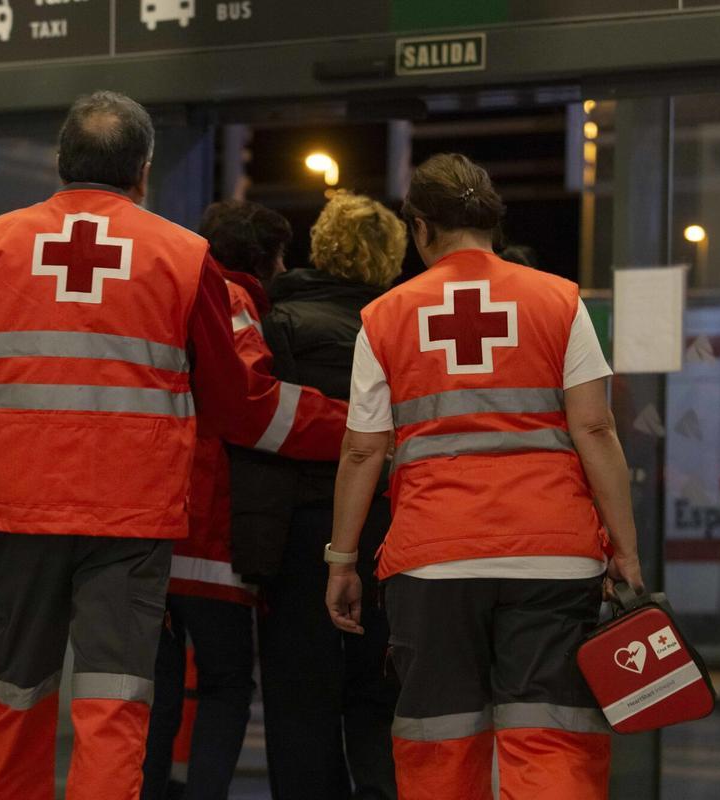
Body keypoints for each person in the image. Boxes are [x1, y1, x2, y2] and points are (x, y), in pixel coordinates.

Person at [0, 90, 347, 800]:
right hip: (130, 516)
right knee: (113, 705)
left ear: (61, 161)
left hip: (19, 508)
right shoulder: (183, 256)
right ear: (143, 170)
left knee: (16, 696)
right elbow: (238, 405)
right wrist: (350, 425)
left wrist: (18, 418)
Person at [325, 153, 645, 799]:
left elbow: (362, 451)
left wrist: (342, 561)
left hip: (433, 558)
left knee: (440, 743)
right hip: (554, 555)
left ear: (420, 228)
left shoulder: (385, 317)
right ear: (492, 221)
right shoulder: (560, 301)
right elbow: (595, 428)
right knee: (553, 738)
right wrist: (626, 551)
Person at [143, 199, 329, 800]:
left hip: (150, 530)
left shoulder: (166, 296)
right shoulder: (232, 300)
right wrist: (351, 424)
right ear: (268, 260)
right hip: (212, 531)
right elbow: (253, 405)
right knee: (224, 685)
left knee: (156, 692)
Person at [237, 191, 405, 799]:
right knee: (382, 687)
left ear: (321, 246)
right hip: (386, 525)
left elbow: (260, 427)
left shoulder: (279, 321)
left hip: (301, 530)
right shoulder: (398, 326)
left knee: (298, 694)